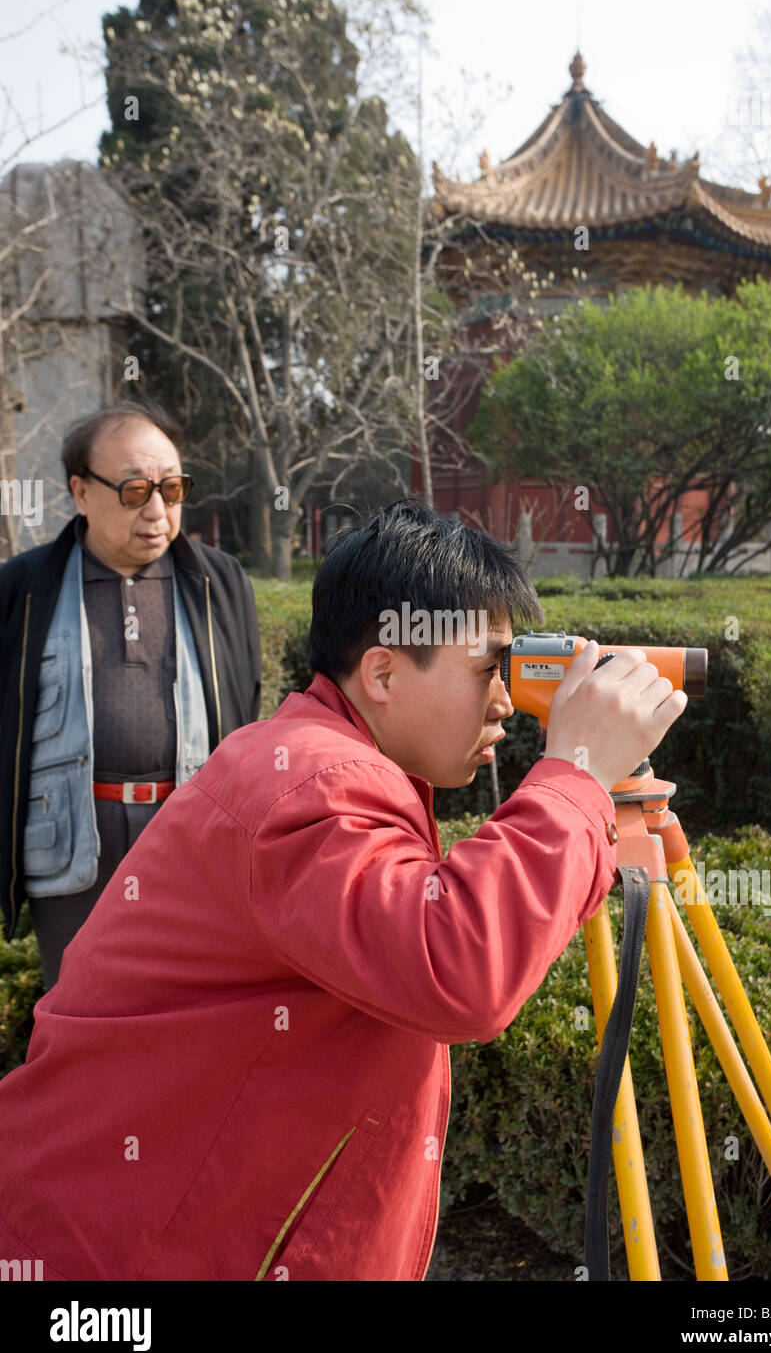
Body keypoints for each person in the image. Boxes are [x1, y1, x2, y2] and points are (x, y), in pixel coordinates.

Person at [0, 499, 686, 1281]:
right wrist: (577, 777)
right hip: (127, 1259)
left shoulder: (310, 756)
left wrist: (586, 795)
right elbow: (458, 970)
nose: (506, 701)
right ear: (384, 670)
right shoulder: (318, 785)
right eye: (488, 668)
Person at [0, 400, 262, 987]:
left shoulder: (220, 583)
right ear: (80, 490)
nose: (156, 511)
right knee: (77, 1019)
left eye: (171, 490)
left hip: (188, 842)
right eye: (134, 490)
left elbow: (245, 703)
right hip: (71, 846)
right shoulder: (23, 589)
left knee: (186, 1018)